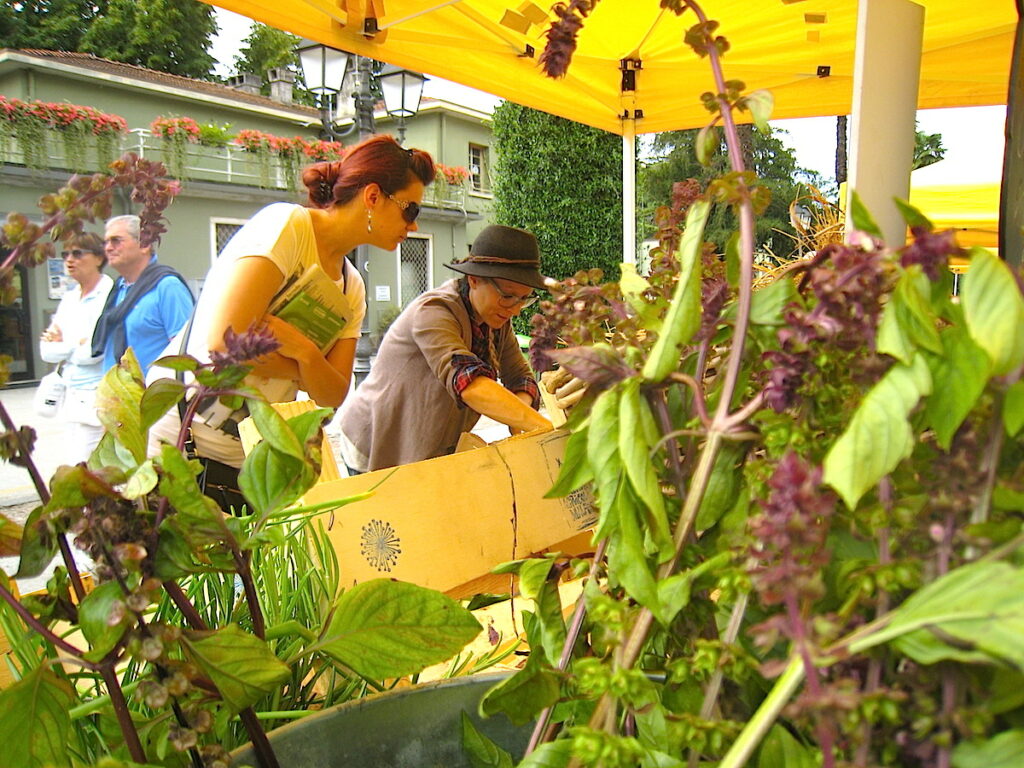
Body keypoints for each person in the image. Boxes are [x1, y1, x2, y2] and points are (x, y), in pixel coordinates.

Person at [148, 134, 436, 477]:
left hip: (253, 458)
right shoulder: (287, 227)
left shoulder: (351, 286)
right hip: (180, 438)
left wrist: (304, 351)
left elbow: (333, 393)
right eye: (410, 209)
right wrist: (309, 371)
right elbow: (226, 344)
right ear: (373, 196)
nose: (414, 224)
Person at [337, 224, 553, 473]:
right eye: (507, 296)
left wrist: (520, 418)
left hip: (429, 449)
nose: (515, 309)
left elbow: (521, 378)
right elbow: (471, 385)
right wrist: (543, 427)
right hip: (379, 443)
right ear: (473, 279)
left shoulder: (496, 320)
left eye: (524, 299)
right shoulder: (435, 312)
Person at [39, 233, 114, 464]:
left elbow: (92, 352)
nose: (69, 260)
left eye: (78, 253)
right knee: (76, 465)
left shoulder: (109, 295)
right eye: (66, 254)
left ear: (99, 258)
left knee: (88, 471)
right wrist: (74, 343)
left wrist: (65, 343)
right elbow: (46, 351)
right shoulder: (70, 298)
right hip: (70, 395)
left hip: (96, 396)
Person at [90, 215, 194, 375]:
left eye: (116, 240)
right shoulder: (118, 289)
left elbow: (186, 351)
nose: (108, 248)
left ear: (144, 244)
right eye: (106, 242)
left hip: (151, 395)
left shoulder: (167, 287)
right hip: (118, 396)